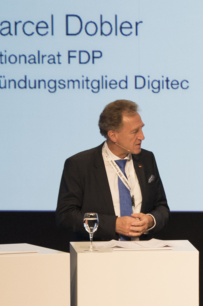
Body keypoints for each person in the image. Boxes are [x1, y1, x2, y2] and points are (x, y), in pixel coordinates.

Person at [56, 100, 170, 242]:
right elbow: (66, 216)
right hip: (98, 255)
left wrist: (150, 221)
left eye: (141, 128)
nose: (142, 136)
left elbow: (161, 207)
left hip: (141, 254)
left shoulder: (147, 159)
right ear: (113, 135)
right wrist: (113, 225)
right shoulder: (80, 165)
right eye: (135, 131)